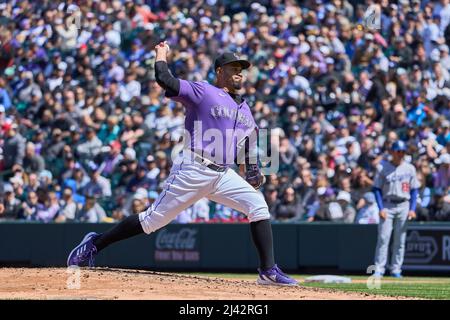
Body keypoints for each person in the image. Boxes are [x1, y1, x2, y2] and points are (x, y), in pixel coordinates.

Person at [67, 43, 297, 286]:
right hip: (194, 168)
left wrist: (252, 168)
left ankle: (268, 271)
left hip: (222, 175)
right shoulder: (203, 91)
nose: (239, 72)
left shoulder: (244, 107)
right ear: (219, 71)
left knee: (258, 205)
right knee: (151, 221)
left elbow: (249, 139)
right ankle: (95, 243)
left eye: (242, 68)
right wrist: (161, 55)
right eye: (233, 67)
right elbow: (166, 79)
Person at [372, 141, 420, 278]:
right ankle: (379, 269)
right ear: (392, 152)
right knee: (383, 238)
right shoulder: (383, 167)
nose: (401, 154)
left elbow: (415, 191)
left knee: (400, 240)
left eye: (403, 151)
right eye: (398, 151)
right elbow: (376, 189)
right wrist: (380, 207)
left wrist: (412, 208)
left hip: (404, 204)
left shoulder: (410, 168)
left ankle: (396, 269)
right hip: (387, 204)